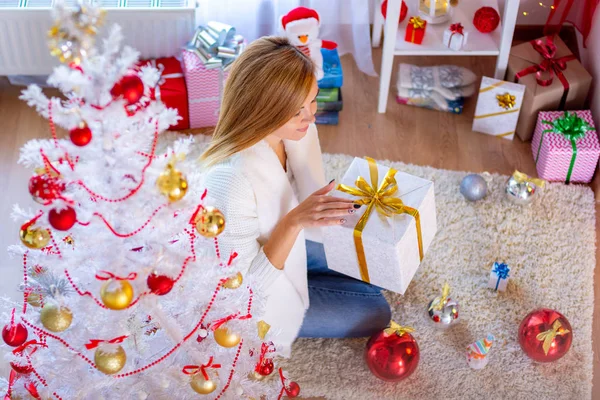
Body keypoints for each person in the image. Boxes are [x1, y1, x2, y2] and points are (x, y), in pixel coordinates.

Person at [200, 36, 391, 357]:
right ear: (261, 111)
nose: (311, 117)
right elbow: (243, 292)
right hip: (256, 284)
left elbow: (308, 190)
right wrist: (293, 222)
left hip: (292, 246)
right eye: (296, 112)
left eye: (312, 101)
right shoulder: (229, 183)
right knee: (377, 311)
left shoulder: (293, 133)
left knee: (381, 265)